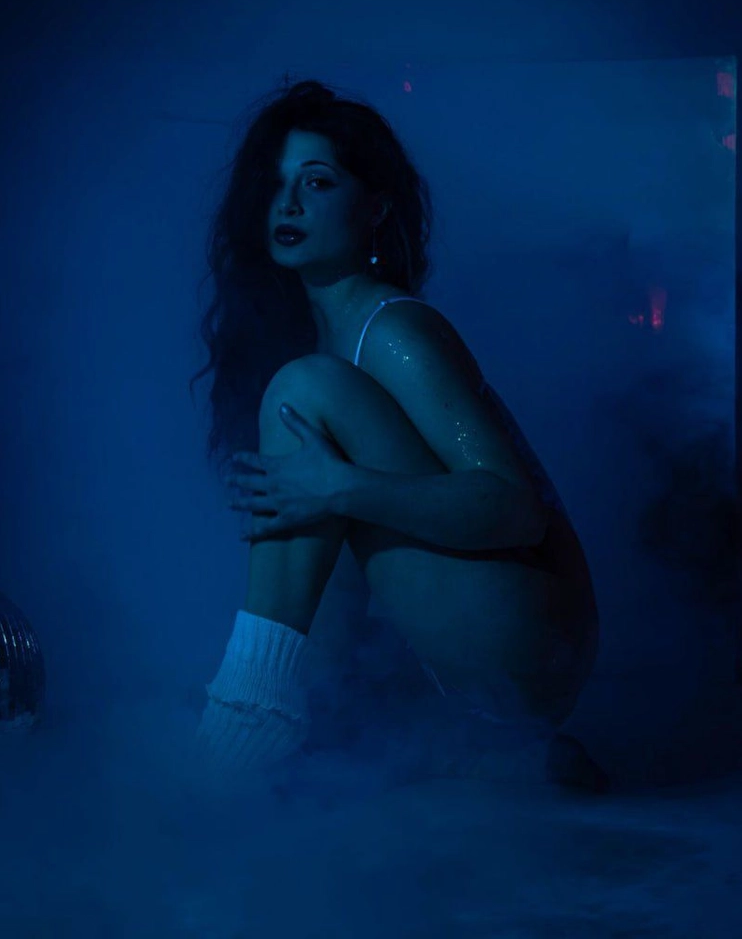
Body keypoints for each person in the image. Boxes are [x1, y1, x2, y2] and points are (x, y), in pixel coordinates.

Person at [189, 78, 607, 790]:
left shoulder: (394, 330)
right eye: (275, 183)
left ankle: (247, 719)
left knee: (305, 399)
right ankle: (488, 757)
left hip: (529, 637)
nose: (288, 204)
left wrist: (342, 488)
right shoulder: (321, 337)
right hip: (455, 642)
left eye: (317, 181)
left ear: (376, 207)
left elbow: (513, 509)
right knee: (307, 466)